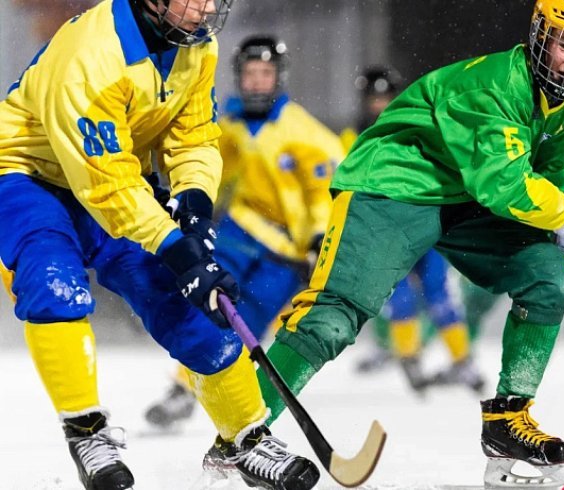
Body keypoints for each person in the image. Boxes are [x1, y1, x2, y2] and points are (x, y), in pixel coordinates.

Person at [248, 0, 564, 485]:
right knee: (334, 319)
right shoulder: (497, 85)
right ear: (541, 38)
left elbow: (558, 198)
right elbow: (505, 186)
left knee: (549, 275)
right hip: (394, 186)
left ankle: (508, 420)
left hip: (463, 200)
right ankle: (242, 434)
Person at [0, 2, 319, 489]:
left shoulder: (196, 44)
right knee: (54, 285)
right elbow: (106, 187)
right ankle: (87, 430)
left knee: (186, 299)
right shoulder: (92, 56)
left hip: (119, 176)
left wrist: (194, 205)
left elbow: (193, 136)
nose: (209, 8)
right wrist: (175, 246)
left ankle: (246, 436)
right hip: (30, 176)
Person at [144, 34, 345, 429]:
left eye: (265, 73)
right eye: (249, 73)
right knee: (211, 302)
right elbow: (209, 170)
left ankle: (225, 394)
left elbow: (322, 193)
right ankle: (182, 388)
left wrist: (319, 238)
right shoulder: (228, 125)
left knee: (249, 318)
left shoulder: (306, 133)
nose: (256, 81)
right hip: (239, 230)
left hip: (286, 250)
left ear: (279, 77)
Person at [342, 66, 486, 393]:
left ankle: (463, 361)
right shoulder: (354, 137)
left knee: (439, 292)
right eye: (374, 98)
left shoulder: (416, 126)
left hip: (425, 223)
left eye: (385, 98)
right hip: (388, 231)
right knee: (400, 296)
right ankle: (409, 359)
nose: (379, 105)